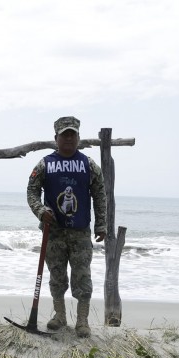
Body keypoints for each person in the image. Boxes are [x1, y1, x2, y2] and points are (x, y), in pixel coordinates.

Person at [26, 115, 106, 338]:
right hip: (54, 233)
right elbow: (32, 192)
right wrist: (41, 211)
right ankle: (60, 316)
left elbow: (100, 195)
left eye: (72, 135)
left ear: (78, 137)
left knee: (82, 276)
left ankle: (82, 320)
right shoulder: (45, 164)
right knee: (57, 275)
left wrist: (102, 224)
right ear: (56, 138)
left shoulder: (89, 165)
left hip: (80, 231)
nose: (68, 139)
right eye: (64, 135)